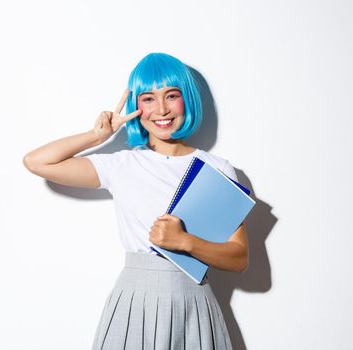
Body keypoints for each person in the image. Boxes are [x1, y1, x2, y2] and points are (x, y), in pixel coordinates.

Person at [23, 52, 249, 350]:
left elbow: (239, 258)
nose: (162, 109)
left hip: (193, 303)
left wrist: (184, 242)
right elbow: (37, 162)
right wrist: (96, 136)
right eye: (148, 99)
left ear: (187, 100)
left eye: (171, 95)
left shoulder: (217, 169)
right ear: (136, 106)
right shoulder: (123, 165)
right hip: (135, 301)